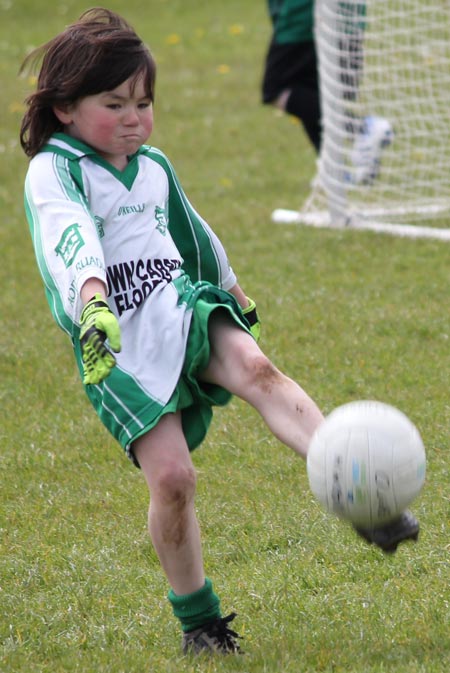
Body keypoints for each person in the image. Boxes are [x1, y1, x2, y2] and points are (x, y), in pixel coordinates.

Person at [20, 7, 419, 656]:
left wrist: (233, 293)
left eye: (143, 103)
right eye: (113, 103)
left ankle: (359, 491)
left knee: (259, 370)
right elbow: (70, 239)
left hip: (179, 303)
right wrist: (93, 302)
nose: (133, 118)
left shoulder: (151, 165)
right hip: (115, 340)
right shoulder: (56, 170)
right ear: (65, 108)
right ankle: (200, 621)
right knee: (174, 479)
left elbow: (193, 234)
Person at [261, 0, 393, 183]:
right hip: (342, 16)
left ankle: (360, 128)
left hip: (306, 16)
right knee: (311, 87)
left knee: (277, 89)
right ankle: (335, 170)